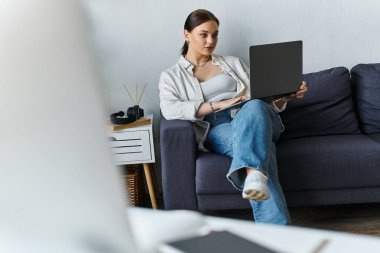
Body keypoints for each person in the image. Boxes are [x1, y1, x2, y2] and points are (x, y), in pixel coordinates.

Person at [159, 9, 307, 225]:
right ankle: (257, 179)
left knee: (254, 105)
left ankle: (255, 178)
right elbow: (169, 109)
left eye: (215, 34)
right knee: (265, 150)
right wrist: (219, 104)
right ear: (186, 34)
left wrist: (286, 96)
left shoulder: (232, 63)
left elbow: (262, 99)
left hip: (255, 114)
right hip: (216, 126)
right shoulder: (171, 76)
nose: (211, 41)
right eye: (204, 34)